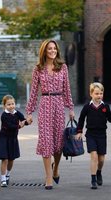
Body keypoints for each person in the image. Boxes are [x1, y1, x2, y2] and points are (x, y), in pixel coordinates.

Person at [25, 39, 75, 190]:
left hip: (59, 104)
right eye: (49, 49)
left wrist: (71, 108)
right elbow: (34, 92)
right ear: (44, 51)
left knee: (59, 143)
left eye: (54, 48)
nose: (52, 51)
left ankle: (56, 169)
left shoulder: (63, 67)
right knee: (46, 141)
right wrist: (29, 112)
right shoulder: (38, 69)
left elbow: (67, 89)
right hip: (45, 105)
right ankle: (48, 177)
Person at [76, 82, 111, 189]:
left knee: (101, 159)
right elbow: (81, 119)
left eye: (101, 93)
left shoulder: (105, 106)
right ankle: (93, 179)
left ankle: (99, 171)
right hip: (91, 134)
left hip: (102, 135)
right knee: (94, 156)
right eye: (96, 93)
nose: (99, 96)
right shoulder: (87, 107)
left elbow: (110, 119)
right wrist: (79, 131)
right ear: (91, 94)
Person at [0, 95, 30, 187]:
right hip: (4, 138)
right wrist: (20, 126)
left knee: (11, 159)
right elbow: (9, 126)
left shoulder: (17, 113)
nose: (11, 106)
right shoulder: (4, 115)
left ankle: (7, 174)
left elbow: (23, 120)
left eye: (12, 104)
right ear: (4, 106)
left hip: (13, 139)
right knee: (4, 159)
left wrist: (28, 121)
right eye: (8, 104)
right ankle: (3, 179)